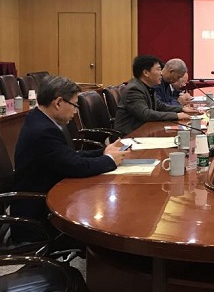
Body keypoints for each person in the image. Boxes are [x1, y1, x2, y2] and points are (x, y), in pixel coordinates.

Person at [12, 75, 129, 243]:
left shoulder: (40, 119)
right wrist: (110, 160)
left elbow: (68, 156)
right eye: (74, 105)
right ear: (58, 102)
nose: (75, 112)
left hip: (50, 198)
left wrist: (104, 152)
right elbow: (75, 166)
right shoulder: (43, 131)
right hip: (40, 214)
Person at [114, 55, 196, 135]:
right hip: (129, 134)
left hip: (145, 129)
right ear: (146, 73)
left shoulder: (147, 87)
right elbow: (146, 114)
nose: (161, 73)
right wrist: (176, 115)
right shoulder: (134, 89)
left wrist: (181, 109)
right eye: (158, 69)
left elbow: (159, 105)